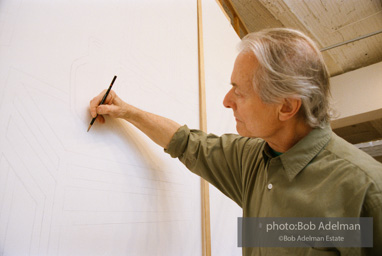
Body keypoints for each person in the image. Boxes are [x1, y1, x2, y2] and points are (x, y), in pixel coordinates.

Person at [89, 28, 382, 255]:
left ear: (286, 107)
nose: (227, 101)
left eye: (239, 92)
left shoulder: (364, 191)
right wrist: (127, 111)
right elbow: (186, 143)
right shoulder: (253, 159)